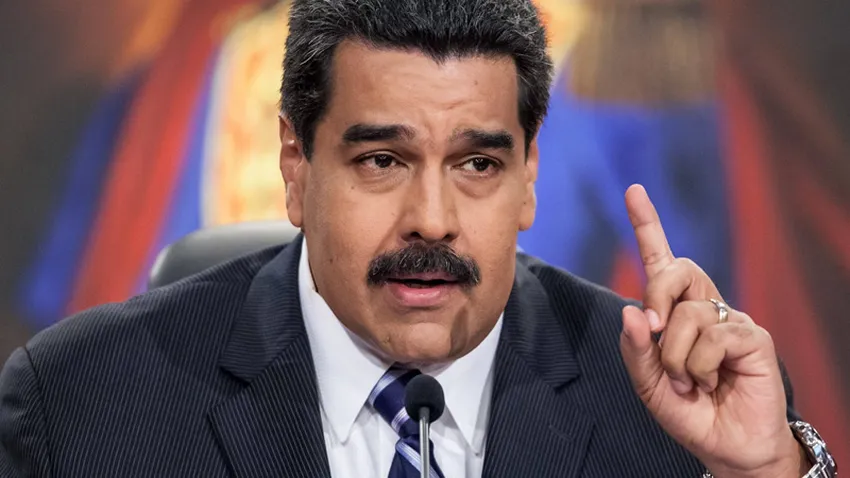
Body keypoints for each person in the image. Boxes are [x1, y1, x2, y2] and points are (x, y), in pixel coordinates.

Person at [0, 0, 836, 477]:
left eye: (477, 165)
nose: (432, 219)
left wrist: (769, 474)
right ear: (295, 165)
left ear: (529, 176)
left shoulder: (671, 420)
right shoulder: (79, 408)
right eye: (382, 160)